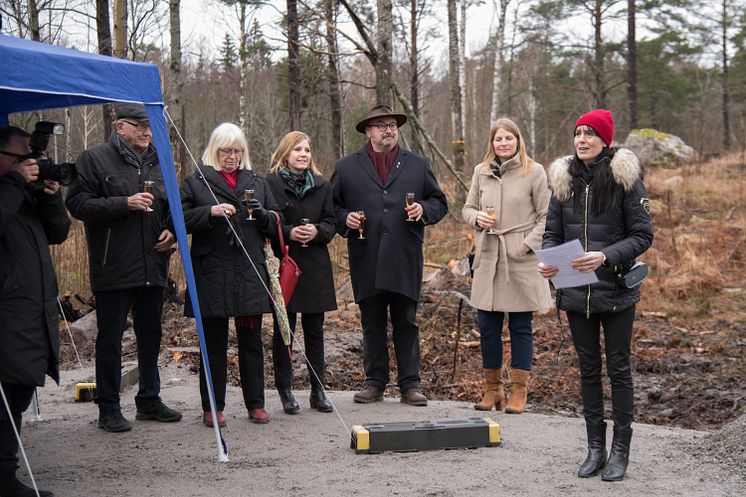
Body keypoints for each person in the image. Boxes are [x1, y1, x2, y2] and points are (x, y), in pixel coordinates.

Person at [539, 109, 653, 481]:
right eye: (577, 133)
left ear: (605, 140)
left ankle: (620, 451)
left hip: (617, 290)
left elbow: (642, 235)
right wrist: (549, 261)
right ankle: (594, 449)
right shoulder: (564, 180)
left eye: (590, 134)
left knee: (618, 370)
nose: (582, 140)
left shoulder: (625, 178)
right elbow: (552, 232)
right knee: (588, 371)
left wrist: (605, 256)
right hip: (575, 292)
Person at [66, 103, 182, 433]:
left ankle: (149, 399)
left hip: (153, 264)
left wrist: (171, 231)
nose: (147, 131)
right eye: (139, 125)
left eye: (149, 126)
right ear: (120, 127)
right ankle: (108, 407)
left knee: (151, 334)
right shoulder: (94, 158)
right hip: (113, 264)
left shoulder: (160, 160)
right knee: (111, 338)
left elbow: (174, 205)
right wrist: (124, 203)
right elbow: (77, 204)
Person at [331, 104, 448, 406]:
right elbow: (331, 208)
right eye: (381, 125)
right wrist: (345, 220)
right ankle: (375, 381)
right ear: (368, 131)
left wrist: (424, 210)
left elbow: (439, 202)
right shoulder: (346, 167)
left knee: (406, 321)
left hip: (404, 255)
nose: (388, 130)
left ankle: (410, 384)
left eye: (392, 125)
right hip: (365, 255)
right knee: (372, 321)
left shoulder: (417, 164)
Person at [180, 123, 279, 427]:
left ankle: (256, 404)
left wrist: (263, 214)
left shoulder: (257, 181)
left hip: (249, 273)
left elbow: (276, 223)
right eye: (226, 150)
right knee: (213, 343)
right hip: (212, 272)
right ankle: (213, 406)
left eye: (237, 150)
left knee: (251, 341)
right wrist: (208, 213)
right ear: (215, 151)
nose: (232, 156)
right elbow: (178, 218)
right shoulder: (196, 182)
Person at [461, 117, 552, 414]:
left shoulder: (534, 171)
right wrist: (476, 219)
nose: (503, 144)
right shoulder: (481, 171)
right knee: (487, 327)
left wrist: (527, 244)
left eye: (508, 139)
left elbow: (547, 216)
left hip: (520, 258)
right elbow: (467, 208)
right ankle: (492, 390)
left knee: (520, 326)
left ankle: (518, 393)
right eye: (498, 140)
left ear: (517, 141)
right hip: (488, 254)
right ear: (492, 143)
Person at [1, 126, 70, 497]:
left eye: (33, 156)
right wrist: (13, 182)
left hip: (32, 310)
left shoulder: (23, 194)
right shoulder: (9, 190)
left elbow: (59, 233)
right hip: (7, 312)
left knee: (19, 390)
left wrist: (48, 195)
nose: (31, 163)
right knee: (6, 392)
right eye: (21, 157)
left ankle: (5, 475)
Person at [266, 131, 338, 414]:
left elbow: (332, 221)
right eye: (297, 150)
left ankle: (317, 391)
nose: (303, 155)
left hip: (316, 266)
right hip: (286, 265)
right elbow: (266, 223)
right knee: (284, 330)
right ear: (285, 153)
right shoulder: (270, 183)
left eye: (307, 150)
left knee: (315, 331)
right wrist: (289, 232)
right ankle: (285, 390)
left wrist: (318, 230)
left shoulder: (322, 185)